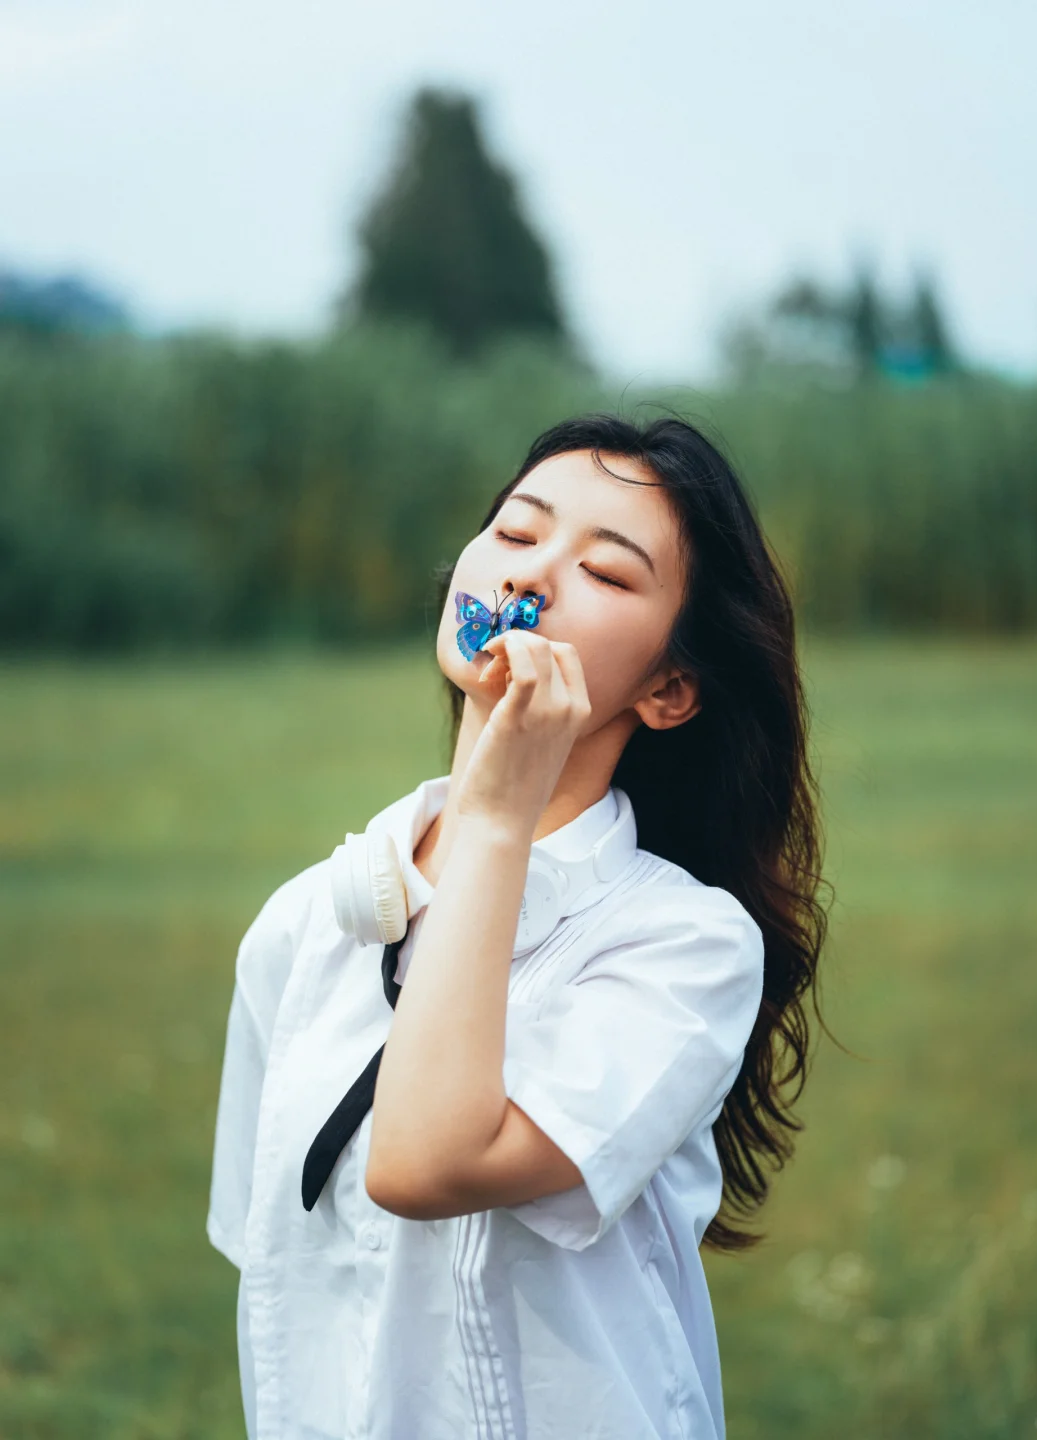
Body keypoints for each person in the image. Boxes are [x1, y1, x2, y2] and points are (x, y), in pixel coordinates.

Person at [206, 413, 829, 1440]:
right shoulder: (304, 924)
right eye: (516, 529)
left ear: (670, 690)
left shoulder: (688, 948)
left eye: (609, 573)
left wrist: (498, 812)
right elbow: (276, 1270)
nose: (529, 576)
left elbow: (423, 1166)